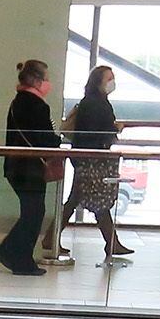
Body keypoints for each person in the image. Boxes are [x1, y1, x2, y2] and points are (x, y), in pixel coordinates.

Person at [59, 64, 131, 262]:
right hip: (92, 159)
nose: (112, 82)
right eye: (109, 78)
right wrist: (115, 128)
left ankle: (111, 242)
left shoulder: (90, 102)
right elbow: (98, 131)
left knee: (78, 199)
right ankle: (111, 242)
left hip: (84, 157)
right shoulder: (98, 104)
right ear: (99, 81)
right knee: (92, 199)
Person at [0, 59, 58, 276]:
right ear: (37, 80)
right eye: (47, 79)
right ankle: (17, 256)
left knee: (31, 212)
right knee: (34, 213)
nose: (49, 83)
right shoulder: (37, 105)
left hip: (15, 166)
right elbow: (44, 139)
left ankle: (11, 251)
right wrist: (59, 142)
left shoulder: (18, 102)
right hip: (30, 168)